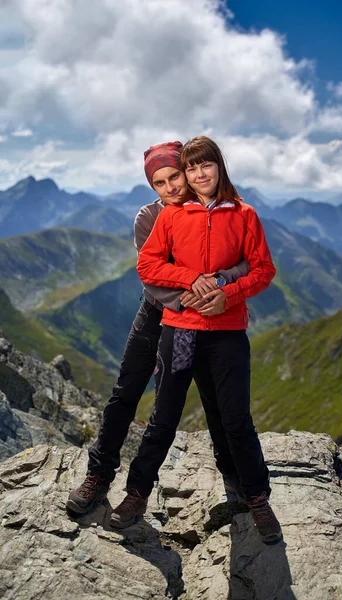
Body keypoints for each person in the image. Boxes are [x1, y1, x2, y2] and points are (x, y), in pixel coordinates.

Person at [109, 136, 282, 543]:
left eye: (206, 166)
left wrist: (227, 294)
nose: (199, 174)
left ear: (219, 166)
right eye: (192, 169)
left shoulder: (245, 215)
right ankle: (136, 495)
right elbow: (147, 266)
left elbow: (263, 270)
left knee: (236, 419)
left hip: (227, 332)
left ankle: (258, 499)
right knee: (163, 418)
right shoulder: (171, 217)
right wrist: (190, 278)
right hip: (179, 331)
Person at [66, 141, 249, 515]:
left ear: (187, 171)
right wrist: (186, 299)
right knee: (126, 393)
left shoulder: (225, 208)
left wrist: (219, 287)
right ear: (153, 187)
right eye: (160, 182)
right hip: (156, 314)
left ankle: (233, 474)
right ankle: (99, 476)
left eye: (174, 177)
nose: (171, 187)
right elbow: (151, 276)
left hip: (204, 317)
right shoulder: (148, 217)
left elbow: (247, 261)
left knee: (215, 398)